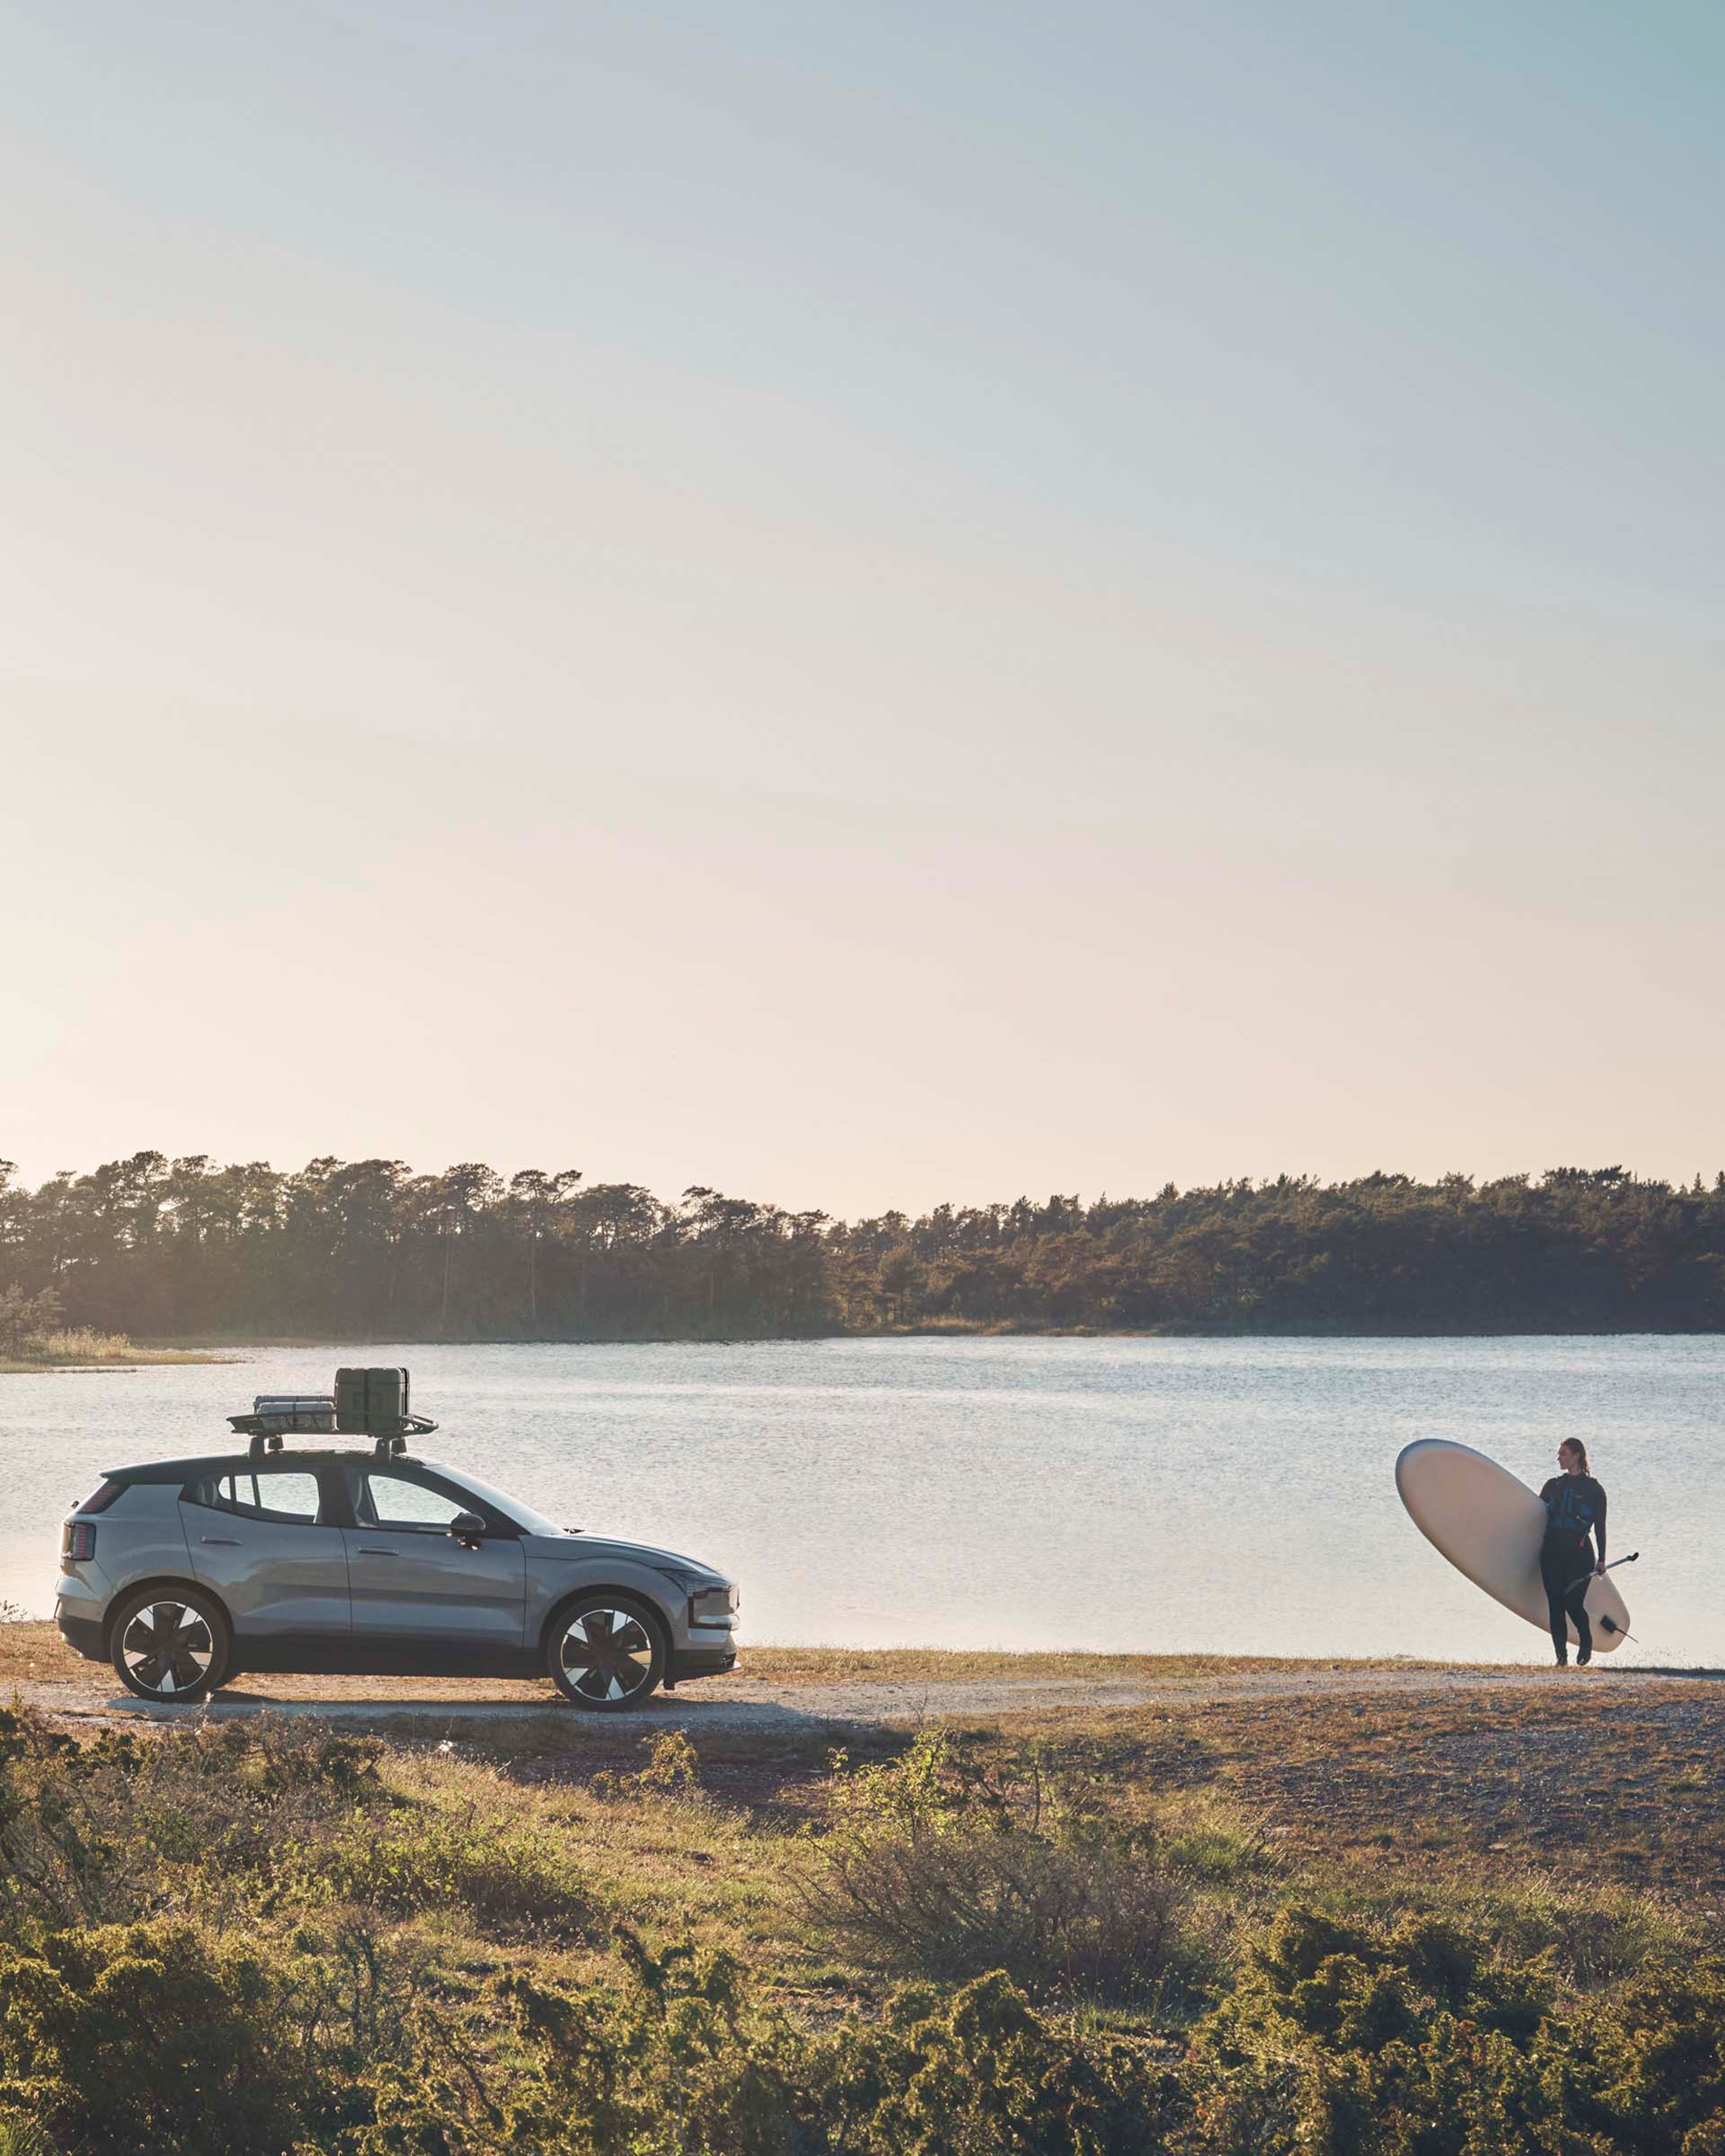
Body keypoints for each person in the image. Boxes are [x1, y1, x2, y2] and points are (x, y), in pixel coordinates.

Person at [1539, 1439, 1607, 1666]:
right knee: (1556, 1604)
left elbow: (1600, 1527)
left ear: (1577, 1456)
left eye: (1564, 1454)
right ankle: (1561, 1659)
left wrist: (1602, 1559)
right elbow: (1532, 1516)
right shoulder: (1552, 1486)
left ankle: (1585, 1640)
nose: (1559, 1458)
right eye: (1559, 1454)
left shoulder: (1594, 1490)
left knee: (1573, 1602)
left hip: (1579, 1555)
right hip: (1551, 1553)